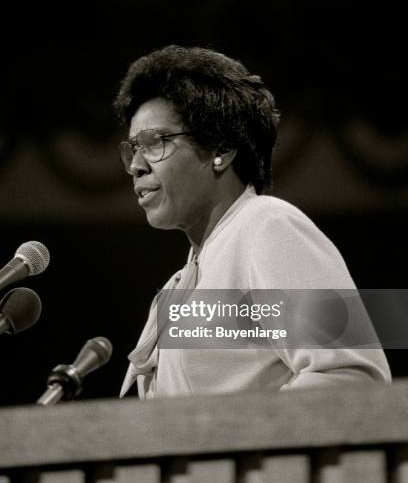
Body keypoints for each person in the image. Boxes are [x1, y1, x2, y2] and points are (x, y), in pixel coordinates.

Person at [114, 45, 391, 399]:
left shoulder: (267, 227)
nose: (137, 165)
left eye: (154, 142)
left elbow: (351, 377)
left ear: (220, 150)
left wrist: (231, 444)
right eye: (133, 148)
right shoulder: (179, 284)